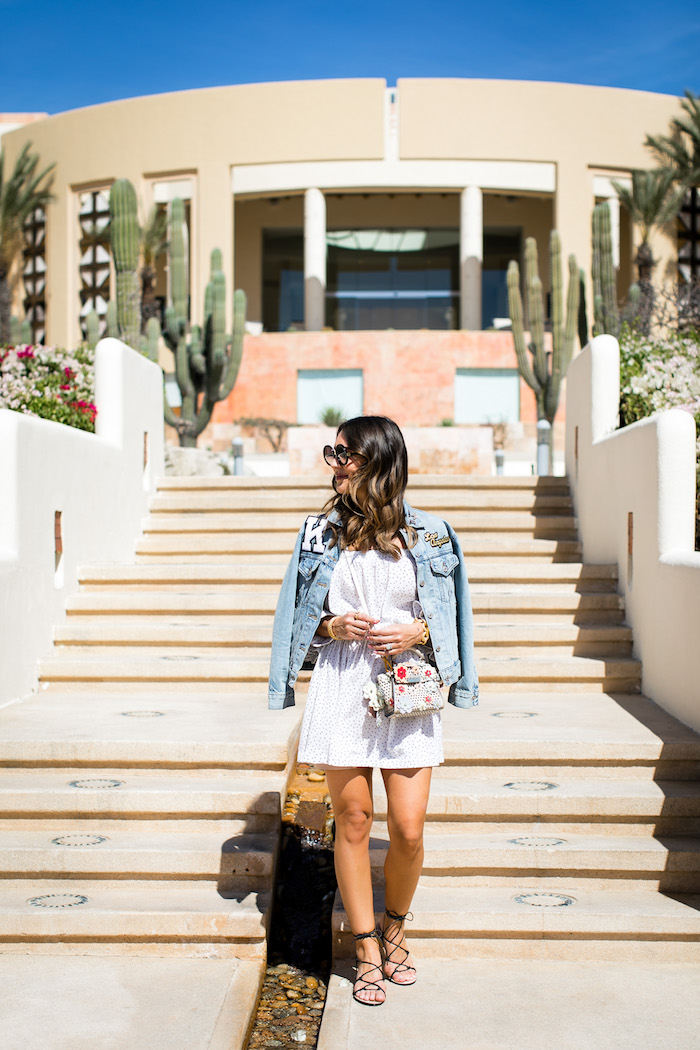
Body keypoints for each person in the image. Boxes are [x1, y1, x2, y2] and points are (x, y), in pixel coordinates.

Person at [268, 416, 478, 1006]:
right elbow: (295, 619)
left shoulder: (431, 535)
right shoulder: (317, 532)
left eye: (346, 453)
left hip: (407, 685)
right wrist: (331, 625)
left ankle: (396, 926)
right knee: (354, 819)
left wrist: (420, 629)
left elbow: (454, 616)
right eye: (331, 451)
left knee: (408, 828)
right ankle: (364, 946)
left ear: (379, 460)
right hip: (343, 681)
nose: (335, 461)